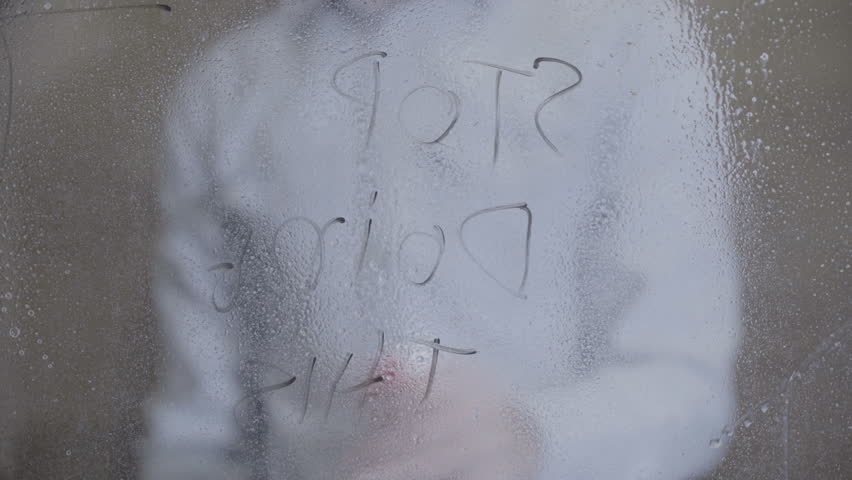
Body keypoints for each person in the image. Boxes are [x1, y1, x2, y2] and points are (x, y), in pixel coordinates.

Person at [142, 1, 741, 478]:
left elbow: (688, 386)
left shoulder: (627, 33)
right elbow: (194, 433)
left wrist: (532, 436)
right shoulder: (222, 94)